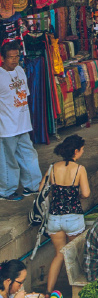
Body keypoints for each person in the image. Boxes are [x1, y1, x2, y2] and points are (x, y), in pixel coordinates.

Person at [40, 135, 91, 293]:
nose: (82, 151)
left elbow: (41, 189)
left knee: (59, 255)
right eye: (82, 149)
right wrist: (76, 195)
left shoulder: (52, 167)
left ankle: (49, 292)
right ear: (76, 151)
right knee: (76, 254)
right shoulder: (80, 169)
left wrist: (55, 194)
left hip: (54, 218)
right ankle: (77, 291)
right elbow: (86, 193)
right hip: (73, 217)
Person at [0, 43, 39, 201]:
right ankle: (6, 191)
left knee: (29, 155)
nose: (15, 60)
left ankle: (33, 185)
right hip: (6, 127)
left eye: (17, 56)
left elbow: (24, 95)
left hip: (23, 124)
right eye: (11, 57)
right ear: (2, 58)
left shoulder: (20, 71)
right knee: (8, 160)